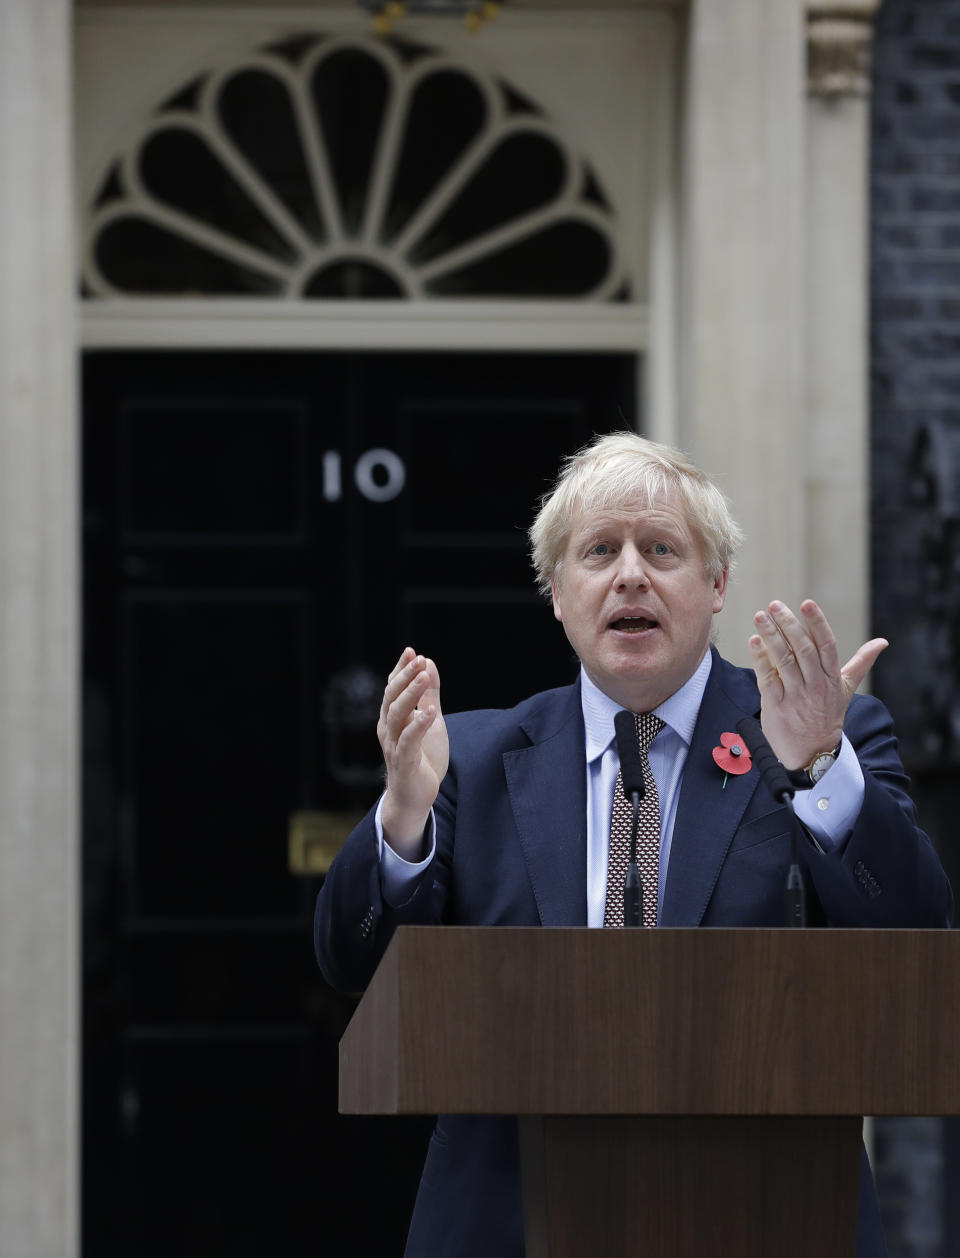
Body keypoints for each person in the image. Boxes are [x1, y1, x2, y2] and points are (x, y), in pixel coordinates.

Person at [314, 432, 953, 1258]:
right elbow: (348, 963)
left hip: (768, 1212)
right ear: (555, 590)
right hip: (509, 1219)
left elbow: (916, 934)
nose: (630, 575)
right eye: (599, 551)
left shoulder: (823, 734)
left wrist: (819, 769)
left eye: (661, 550)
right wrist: (404, 814)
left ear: (717, 583)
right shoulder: (466, 760)